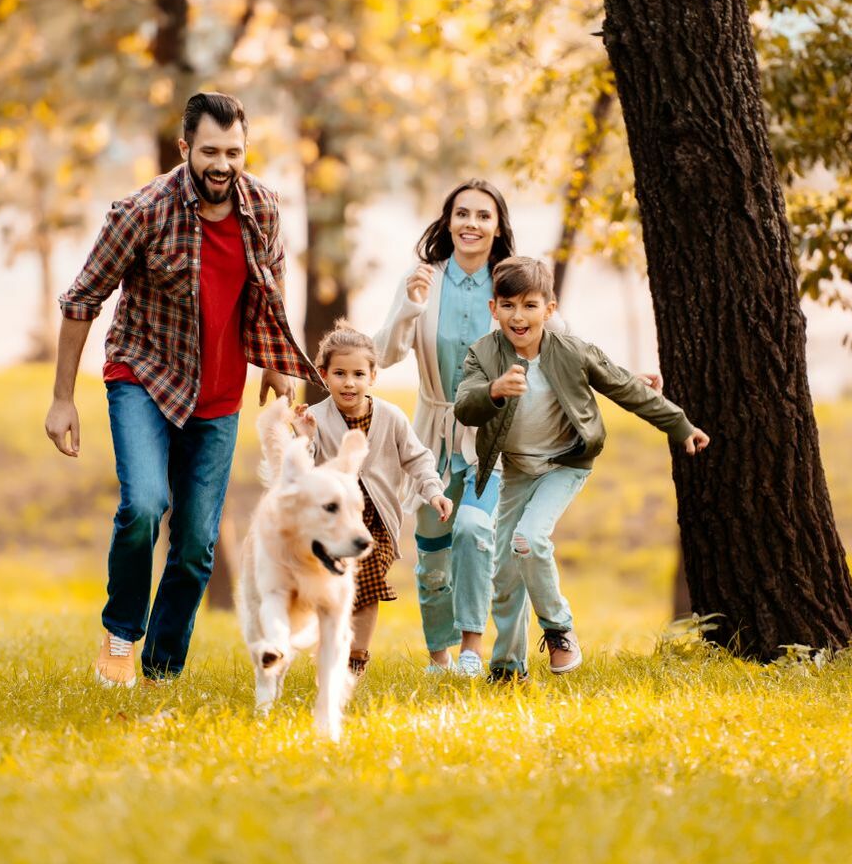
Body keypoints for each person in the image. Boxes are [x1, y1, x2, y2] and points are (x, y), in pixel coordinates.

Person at [45, 92, 320, 687]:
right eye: (210, 152)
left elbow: (271, 280)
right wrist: (63, 398)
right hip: (145, 376)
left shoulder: (265, 208)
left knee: (196, 545)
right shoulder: (141, 212)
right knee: (143, 505)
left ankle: (162, 670)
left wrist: (275, 359)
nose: (222, 165)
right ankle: (121, 634)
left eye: (234, 152)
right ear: (184, 149)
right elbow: (80, 300)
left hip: (218, 396)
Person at [454, 256, 710, 674]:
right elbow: (465, 405)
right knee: (504, 576)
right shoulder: (483, 354)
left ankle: (559, 630)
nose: (519, 316)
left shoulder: (570, 351)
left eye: (530, 305)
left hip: (565, 464)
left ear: (549, 310)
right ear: (493, 308)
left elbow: (625, 387)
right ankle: (506, 667)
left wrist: (679, 424)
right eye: (508, 305)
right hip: (517, 470)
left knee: (529, 540)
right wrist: (494, 390)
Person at [372, 179, 530, 680]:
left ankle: (471, 649)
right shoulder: (423, 277)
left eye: (483, 216)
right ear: (447, 221)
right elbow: (383, 354)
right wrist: (410, 306)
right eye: (462, 214)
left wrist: (623, 377)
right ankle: (439, 657)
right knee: (433, 555)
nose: (471, 224)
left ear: (498, 226)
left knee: (475, 530)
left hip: (490, 436)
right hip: (431, 436)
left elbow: (560, 341)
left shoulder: (510, 283)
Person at [292, 321, 452, 678]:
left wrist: (434, 491)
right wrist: (303, 438)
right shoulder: (315, 418)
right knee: (333, 589)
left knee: (365, 584)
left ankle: (356, 659)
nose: (349, 382)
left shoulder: (391, 417)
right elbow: (303, 472)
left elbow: (417, 458)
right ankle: (333, 648)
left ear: (373, 376)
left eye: (358, 374)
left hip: (376, 524)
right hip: (332, 524)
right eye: (340, 373)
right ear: (323, 375)